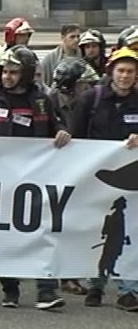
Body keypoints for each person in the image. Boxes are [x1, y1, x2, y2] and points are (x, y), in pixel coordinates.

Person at [0, 45, 70, 310]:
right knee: (5, 237)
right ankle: (10, 289)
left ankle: (45, 291)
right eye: (5, 72)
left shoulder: (43, 100)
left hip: (36, 179)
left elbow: (58, 126)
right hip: (1, 181)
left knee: (42, 233)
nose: (6, 77)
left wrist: (61, 133)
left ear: (25, 74)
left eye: (13, 72)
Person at [72, 48, 138, 311]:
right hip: (97, 179)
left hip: (132, 182)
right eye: (120, 70)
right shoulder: (92, 99)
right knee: (100, 231)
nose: (125, 76)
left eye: (130, 71)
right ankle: (95, 286)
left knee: (132, 233)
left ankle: (128, 290)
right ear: (111, 72)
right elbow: (75, 135)